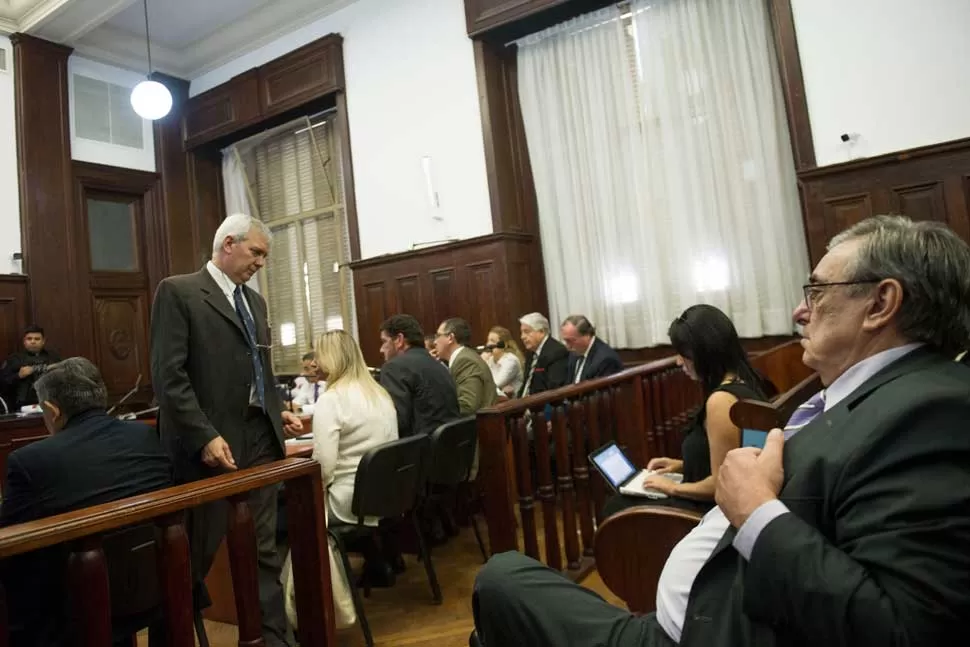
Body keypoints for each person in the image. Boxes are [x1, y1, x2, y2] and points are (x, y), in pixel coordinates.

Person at [471, 215, 970, 647]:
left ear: (881, 304)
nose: (801, 310)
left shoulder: (932, 411)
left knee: (500, 578)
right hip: (710, 608)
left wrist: (755, 512)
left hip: (710, 631)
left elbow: (900, 631)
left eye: (816, 292)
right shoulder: (874, 396)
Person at [150, 213, 304, 647]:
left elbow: (258, 368)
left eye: (265, 256)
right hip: (205, 450)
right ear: (229, 243)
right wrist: (203, 434)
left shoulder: (255, 303)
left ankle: (273, 641)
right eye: (256, 252)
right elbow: (169, 377)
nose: (261, 263)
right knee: (192, 562)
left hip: (258, 439)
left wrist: (277, 409)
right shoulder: (178, 291)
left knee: (263, 552)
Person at [0, 358, 173, 647]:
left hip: (71, 612)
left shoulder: (32, 461)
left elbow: (8, 541)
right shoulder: (145, 436)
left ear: (53, 411)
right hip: (149, 591)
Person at [603, 305, 770, 516]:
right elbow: (729, 458)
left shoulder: (721, 401)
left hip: (710, 513)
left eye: (684, 354)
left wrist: (671, 487)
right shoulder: (748, 380)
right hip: (734, 500)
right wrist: (681, 466)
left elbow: (721, 484)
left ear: (705, 353)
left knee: (617, 506)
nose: (678, 361)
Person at [311, 329, 398, 526]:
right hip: (386, 495)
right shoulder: (380, 393)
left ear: (331, 359)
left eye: (318, 355)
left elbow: (323, 469)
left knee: (285, 514)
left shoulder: (331, 399)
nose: (314, 362)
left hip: (349, 502)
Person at [378, 314, 459, 437]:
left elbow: (396, 424)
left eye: (384, 341)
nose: (381, 349)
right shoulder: (438, 365)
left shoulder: (393, 367)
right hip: (449, 447)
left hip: (419, 450)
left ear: (399, 340)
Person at [434, 318, 498, 416]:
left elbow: (468, 406)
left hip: (479, 427)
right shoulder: (462, 357)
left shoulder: (464, 361)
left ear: (450, 338)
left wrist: (435, 409)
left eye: (438, 336)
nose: (435, 341)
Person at [1, 325, 61, 410]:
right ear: (24, 342)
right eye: (29, 339)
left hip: (51, 402)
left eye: (37, 339)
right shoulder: (14, 359)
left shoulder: (53, 357)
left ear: (43, 341)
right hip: (23, 406)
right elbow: (3, 384)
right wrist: (18, 376)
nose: (33, 341)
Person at [518, 312, 569, 398]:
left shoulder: (556, 352)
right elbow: (526, 384)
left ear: (541, 331)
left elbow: (554, 389)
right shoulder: (531, 353)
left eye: (526, 332)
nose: (522, 337)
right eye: (522, 332)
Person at [560, 315, 623, 383]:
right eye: (565, 341)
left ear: (587, 335)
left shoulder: (606, 360)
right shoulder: (575, 353)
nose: (568, 346)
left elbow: (599, 392)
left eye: (571, 341)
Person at [481, 326, 524, 396]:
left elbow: (495, 384)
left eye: (492, 341)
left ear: (504, 345)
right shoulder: (490, 359)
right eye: (488, 340)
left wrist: (482, 364)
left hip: (515, 403)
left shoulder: (510, 360)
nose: (488, 344)